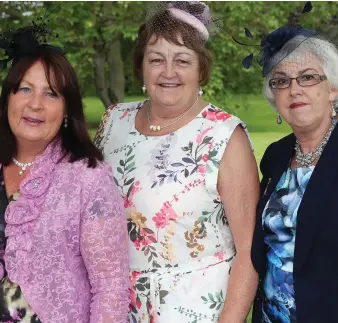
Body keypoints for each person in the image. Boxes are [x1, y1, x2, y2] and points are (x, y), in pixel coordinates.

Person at [94, 2, 259, 322]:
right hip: (114, 309)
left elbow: (249, 251)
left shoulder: (223, 136)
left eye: (182, 60)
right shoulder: (114, 121)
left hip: (195, 310)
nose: (168, 71)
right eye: (156, 59)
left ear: (201, 70)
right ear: (141, 65)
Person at [0, 24, 129, 322]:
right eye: (25, 89)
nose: (35, 104)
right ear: (8, 98)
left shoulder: (89, 177)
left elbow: (110, 288)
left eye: (51, 94)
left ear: (67, 109)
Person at [236, 4, 338, 322]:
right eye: (281, 81)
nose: (294, 88)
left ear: (333, 89)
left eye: (308, 77)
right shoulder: (276, 155)